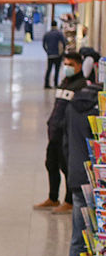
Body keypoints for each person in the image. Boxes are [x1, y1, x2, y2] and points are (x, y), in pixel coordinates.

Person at [62, 58, 101, 256]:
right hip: (97, 180)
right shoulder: (99, 110)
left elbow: (65, 141)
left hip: (77, 176)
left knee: (79, 236)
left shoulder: (72, 105)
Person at [36, 51, 87, 212]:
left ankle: (69, 201)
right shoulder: (64, 82)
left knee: (67, 167)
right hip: (55, 131)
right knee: (51, 163)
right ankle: (53, 198)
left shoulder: (82, 86)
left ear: (79, 66)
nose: (67, 67)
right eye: (65, 64)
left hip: (67, 133)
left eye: (70, 65)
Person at [44, 22, 67, 88]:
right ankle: (56, 84)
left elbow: (43, 44)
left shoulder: (47, 34)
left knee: (49, 69)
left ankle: (46, 83)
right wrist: (62, 52)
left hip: (50, 55)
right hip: (58, 54)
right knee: (57, 70)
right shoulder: (59, 33)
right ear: (56, 25)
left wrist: (47, 51)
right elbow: (63, 43)